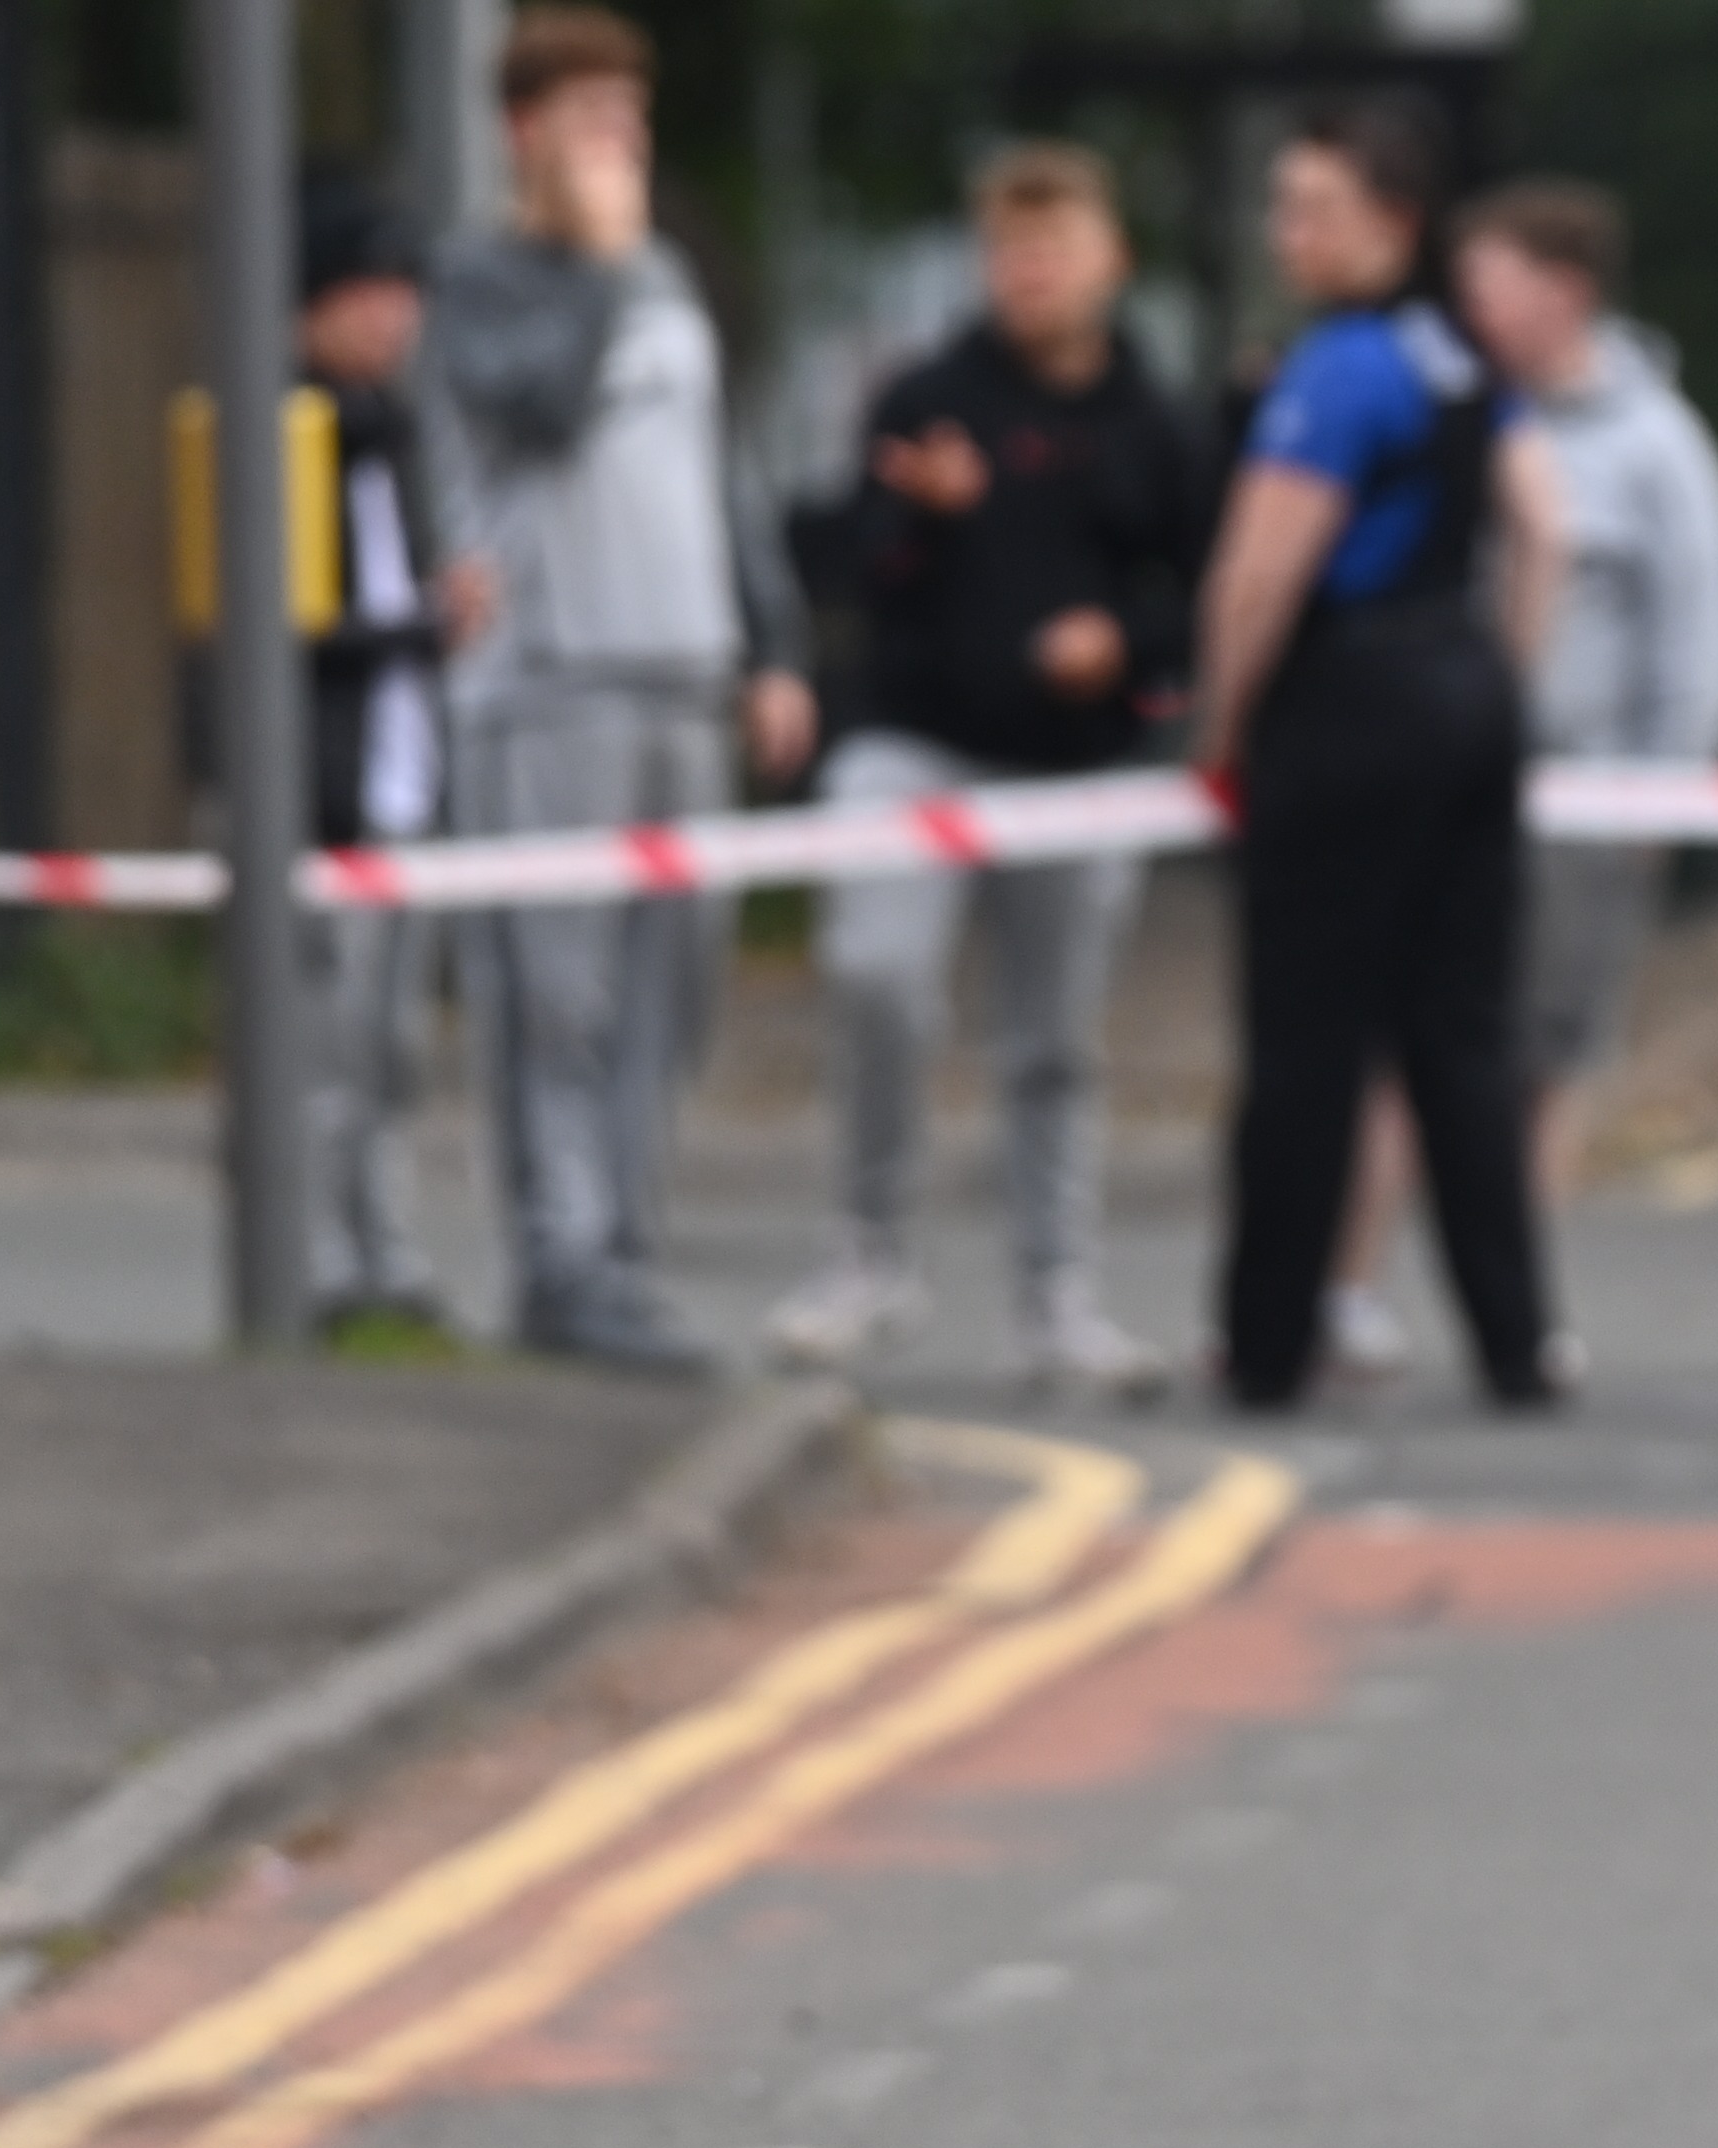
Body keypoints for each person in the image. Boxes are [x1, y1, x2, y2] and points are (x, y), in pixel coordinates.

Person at [762, 139, 1209, 1397]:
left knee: (1055, 1040)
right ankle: (868, 1254)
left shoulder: (1154, 424)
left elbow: (1206, 588)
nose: (1029, 274)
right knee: (876, 975)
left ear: (1109, 260)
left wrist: (1123, 644)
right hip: (920, 741)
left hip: (1079, 767)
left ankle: (1058, 1298)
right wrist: (918, 516)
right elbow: (844, 561)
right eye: (1008, 251)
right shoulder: (928, 396)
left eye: (1053, 247)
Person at [418, 3, 816, 1375]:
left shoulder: (664, 280)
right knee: (559, 995)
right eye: (591, 122)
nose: (618, 148)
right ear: (526, 135)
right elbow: (530, 408)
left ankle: (627, 1254)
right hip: (554, 685)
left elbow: (722, 470)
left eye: (631, 123)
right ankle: (562, 1262)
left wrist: (773, 646)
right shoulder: (484, 278)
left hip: (682, 675)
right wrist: (591, 262)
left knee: (673, 988)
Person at [1316, 176, 1718, 1368]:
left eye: (1486, 286)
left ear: (1565, 292)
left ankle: (1513, 1305)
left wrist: (1671, 786)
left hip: (1582, 791)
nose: (1464, 310)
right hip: (1438, 779)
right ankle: (1349, 1289)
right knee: (1410, 1041)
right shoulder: (1443, 407)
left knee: (1544, 1056)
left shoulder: (1655, 443)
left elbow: (1697, 623)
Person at [1187, 95, 1566, 1415]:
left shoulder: (1340, 366)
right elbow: (1543, 529)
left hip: (1347, 703)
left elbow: (1260, 571)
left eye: (1314, 210)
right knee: (1464, 1040)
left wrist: (1223, 723)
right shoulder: (1462, 356)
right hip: (1464, 694)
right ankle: (1517, 1345)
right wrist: (1500, 677)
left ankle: (1267, 1347)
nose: (1288, 234)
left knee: (1307, 1045)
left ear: (1394, 223)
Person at [289, 179, 482, 1350]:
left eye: (402, 293)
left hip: (404, 775)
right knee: (324, 1039)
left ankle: (387, 1251)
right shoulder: (287, 432)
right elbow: (285, 621)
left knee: (393, 1042)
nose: (390, 317)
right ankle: (316, 1260)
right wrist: (427, 618)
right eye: (365, 292)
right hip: (324, 785)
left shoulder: (399, 431)